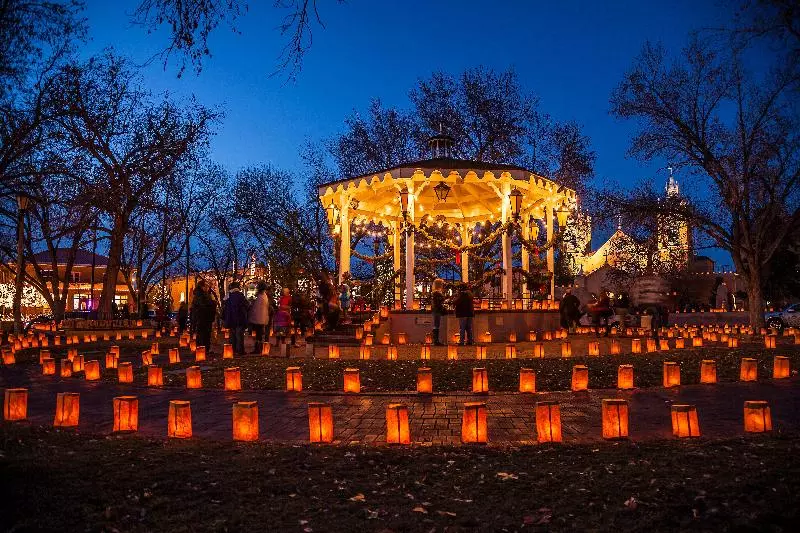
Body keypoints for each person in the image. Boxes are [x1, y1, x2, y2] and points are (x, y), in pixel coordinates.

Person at [223, 281, 249, 356]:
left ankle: (232, 350)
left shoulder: (228, 296)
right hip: (239, 318)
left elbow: (224, 308)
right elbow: (247, 305)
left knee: (232, 335)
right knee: (239, 335)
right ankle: (240, 351)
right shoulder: (240, 295)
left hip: (230, 319)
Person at [190, 279, 217, 354]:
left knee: (205, 334)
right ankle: (202, 350)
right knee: (203, 334)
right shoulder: (200, 295)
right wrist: (212, 304)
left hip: (205, 317)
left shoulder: (203, 294)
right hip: (203, 317)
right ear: (202, 286)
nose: (207, 287)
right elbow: (202, 306)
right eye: (206, 286)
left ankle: (204, 349)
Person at [249, 282, 270, 355]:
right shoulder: (264, 296)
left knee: (258, 334)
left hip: (257, 318)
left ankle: (258, 349)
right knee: (259, 334)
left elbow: (255, 307)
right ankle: (259, 348)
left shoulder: (259, 296)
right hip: (262, 318)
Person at [430, 278, 446, 345]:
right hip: (437, 310)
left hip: (435, 310)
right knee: (436, 325)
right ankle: (436, 341)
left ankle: (435, 340)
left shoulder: (434, 293)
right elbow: (439, 302)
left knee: (436, 325)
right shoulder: (437, 293)